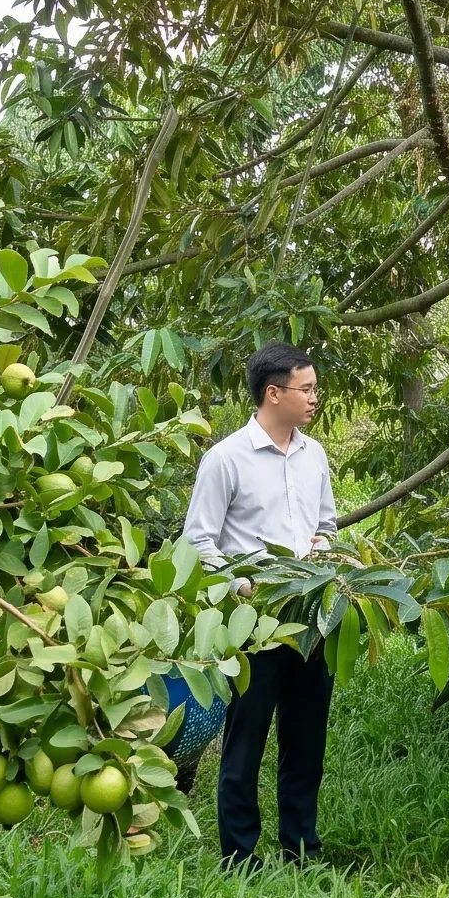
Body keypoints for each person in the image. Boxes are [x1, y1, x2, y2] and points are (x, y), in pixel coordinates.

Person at [184, 343, 338, 866]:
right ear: (274, 393)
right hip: (254, 624)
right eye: (307, 389)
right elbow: (198, 543)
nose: (314, 398)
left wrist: (324, 555)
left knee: (306, 741)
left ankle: (301, 848)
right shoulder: (226, 458)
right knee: (245, 741)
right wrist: (240, 587)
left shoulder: (314, 455)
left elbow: (326, 527)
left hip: (312, 620)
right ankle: (239, 857)